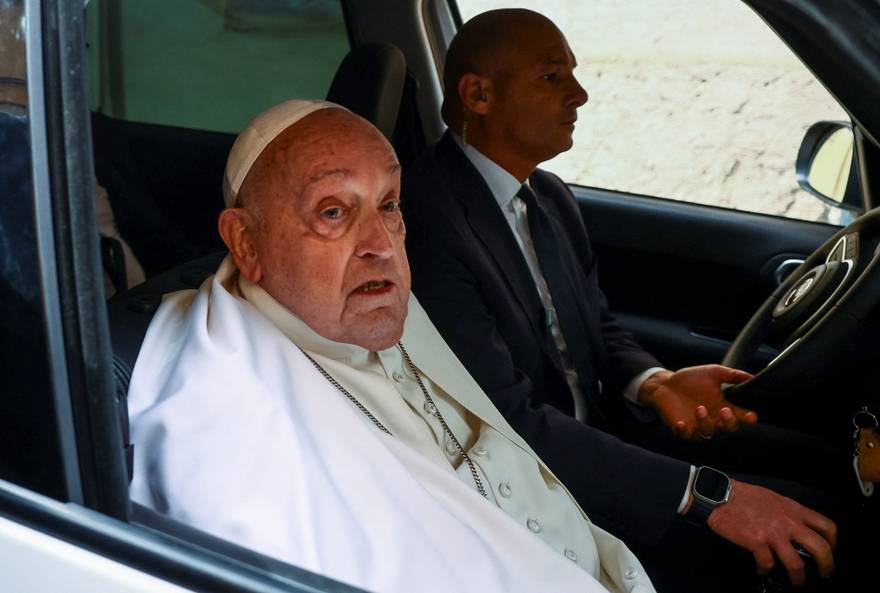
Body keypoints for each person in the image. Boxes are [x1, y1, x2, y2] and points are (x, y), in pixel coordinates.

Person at [128, 99, 651, 593]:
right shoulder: (226, 418)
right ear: (246, 242)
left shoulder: (365, 299)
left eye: (389, 204)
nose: (380, 244)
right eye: (333, 212)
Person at [402, 8, 840, 591]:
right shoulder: (429, 224)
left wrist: (655, 383)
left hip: (604, 434)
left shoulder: (548, 197)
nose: (579, 95)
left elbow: (597, 326)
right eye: (552, 76)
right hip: (542, 485)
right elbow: (506, 422)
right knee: (814, 528)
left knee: (828, 464)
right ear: (478, 95)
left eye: (573, 73)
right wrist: (706, 496)